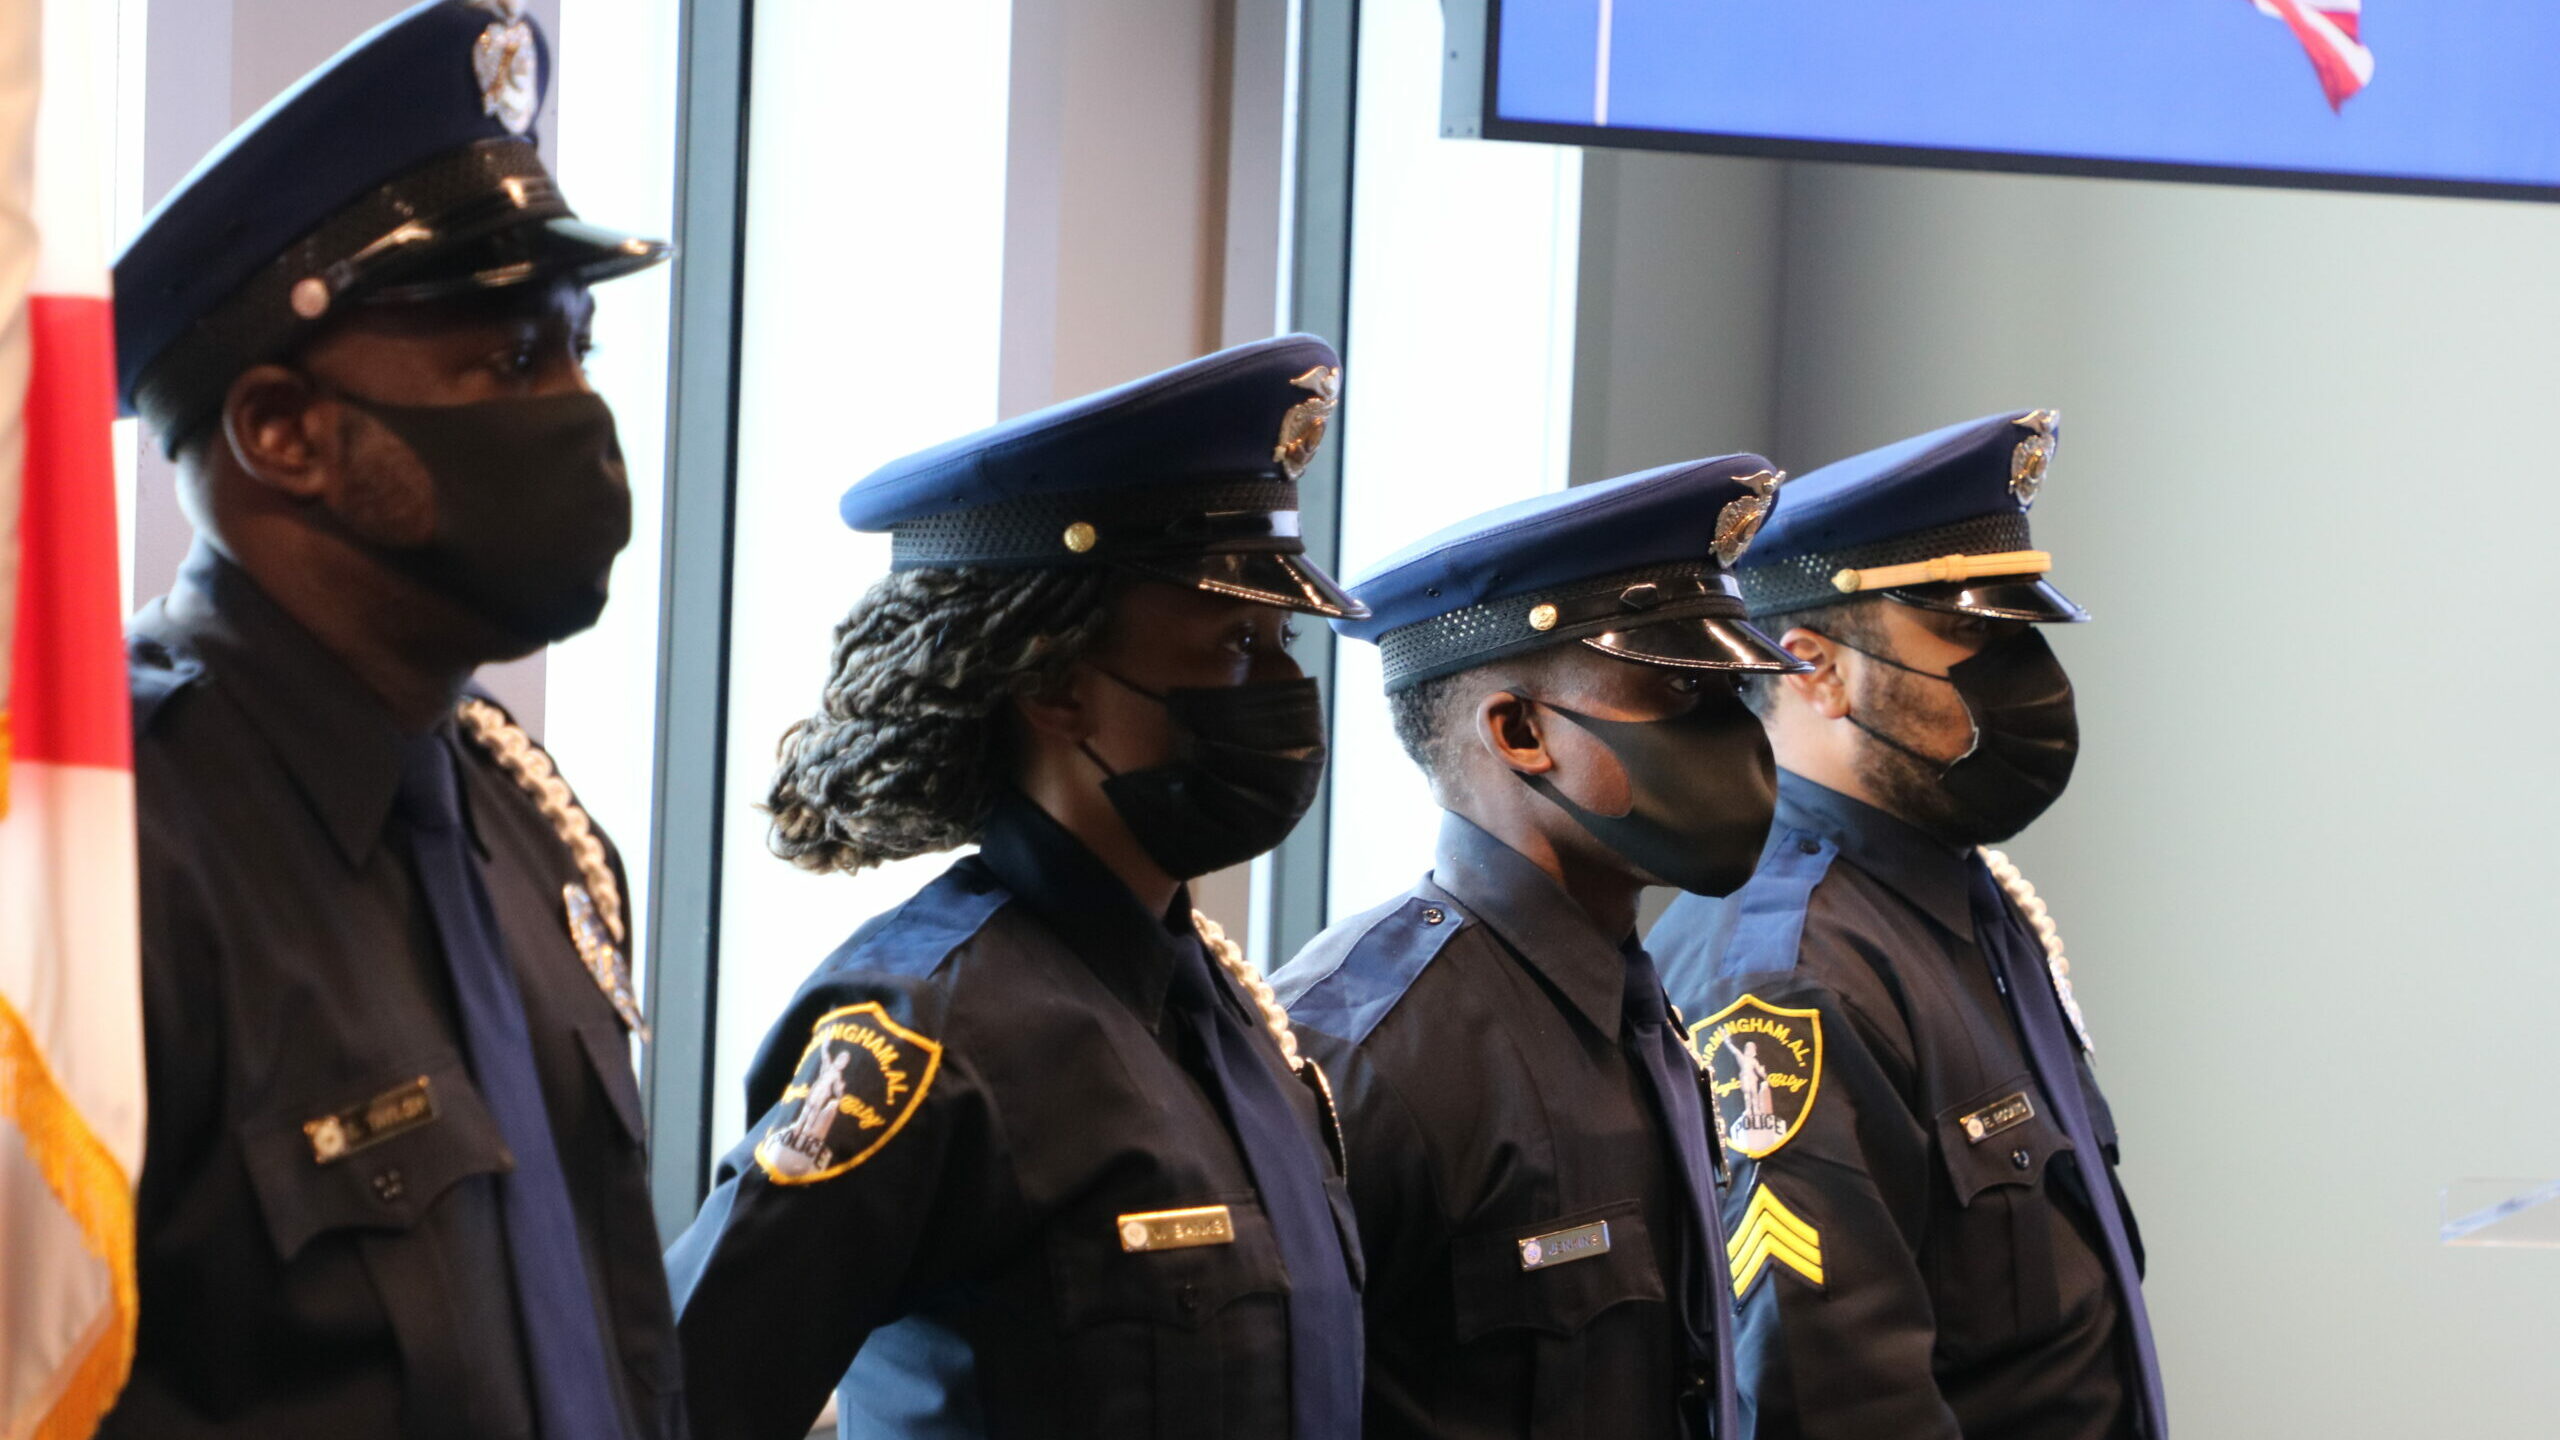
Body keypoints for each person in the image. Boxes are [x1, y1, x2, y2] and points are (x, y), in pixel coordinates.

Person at [105, 4, 678, 1437]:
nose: (580, 415)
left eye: (578, 349)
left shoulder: (526, 823)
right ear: (282, 431)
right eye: (514, 362)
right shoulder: (105, 855)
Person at [666, 335, 1369, 1440]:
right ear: (1055, 689)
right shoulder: (930, 1034)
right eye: (1238, 641)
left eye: (1283, 637)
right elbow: (676, 1397)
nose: (1288, 684)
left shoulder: (1227, 1015)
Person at [1268, 455, 1810, 1440]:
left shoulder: (1637, 1010)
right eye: (1681, 693)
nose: (1738, 735)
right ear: (1520, 731)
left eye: (1734, 692)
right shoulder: (1358, 1054)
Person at [1651, 411, 2167, 1440]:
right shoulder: (1788, 974)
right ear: (1814, 669)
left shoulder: (1957, 895)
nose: (2025, 680)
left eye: (2021, 635)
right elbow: (1828, 1399)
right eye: (1972, 637)